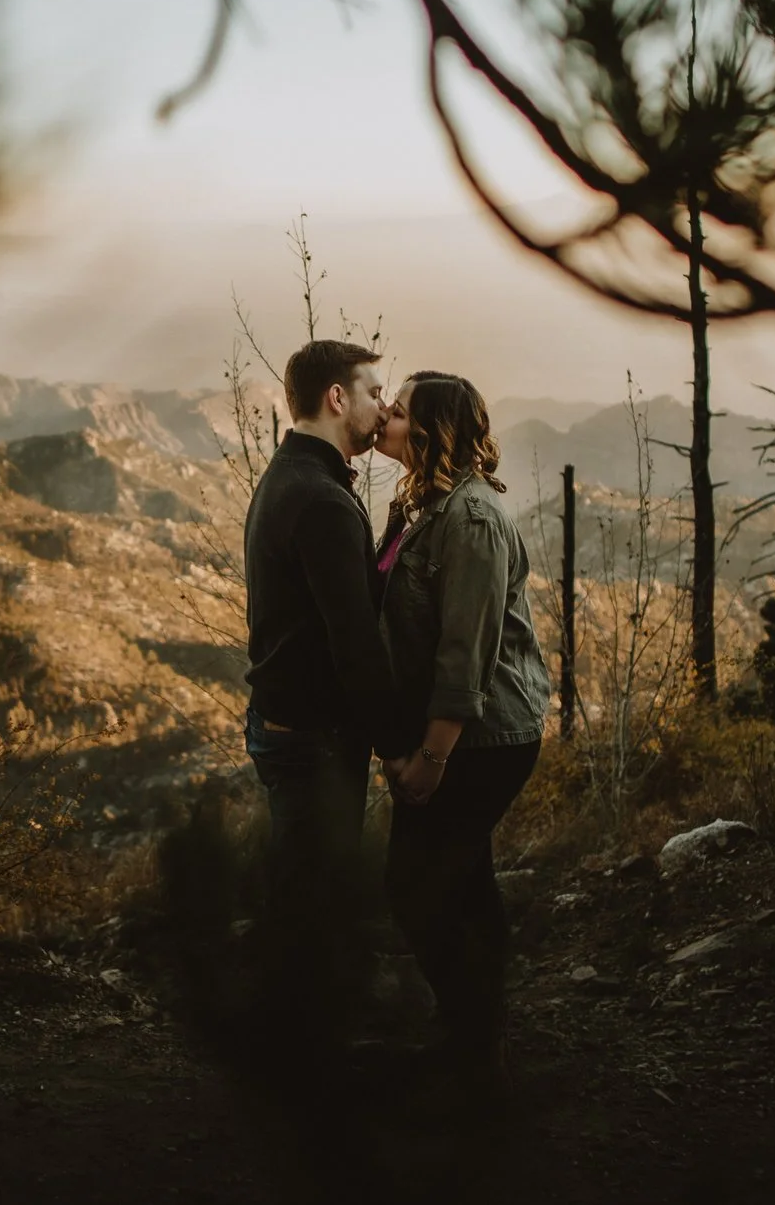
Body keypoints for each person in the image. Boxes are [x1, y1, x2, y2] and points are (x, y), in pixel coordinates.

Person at [372, 370, 551, 1084]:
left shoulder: (471, 519)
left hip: (483, 738)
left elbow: (465, 651)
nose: (384, 415)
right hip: (463, 733)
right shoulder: (425, 503)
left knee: (416, 884)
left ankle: (471, 1041)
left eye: (398, 408)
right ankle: (476, 1041)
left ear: (431, 430)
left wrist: (432, 756)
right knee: (463, 881)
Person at [241, 338, 405, 1055]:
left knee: (302, 882)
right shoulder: (322, 498)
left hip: (284, 723)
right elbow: (355, 643)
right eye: (374, 392)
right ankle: (302, 1053)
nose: (384, 408)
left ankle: (295, 1040)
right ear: (337, 398)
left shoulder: (291, 477)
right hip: (312, 735)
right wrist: (399, 746)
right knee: (315, 890)